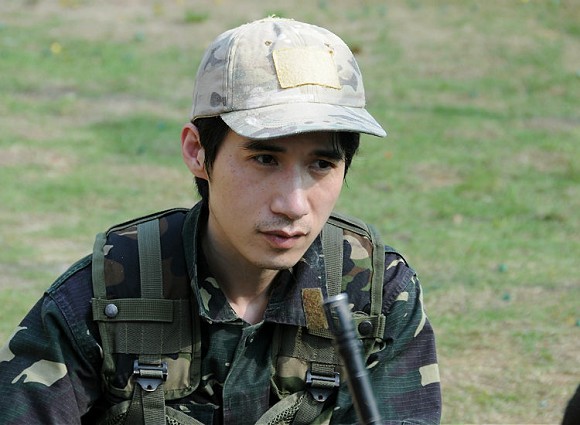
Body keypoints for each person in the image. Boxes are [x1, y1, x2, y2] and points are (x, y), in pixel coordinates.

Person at [0, 17, 441, 424]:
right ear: (197, 152)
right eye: (264, 159)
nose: (293, 204)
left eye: (322, 164)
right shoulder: (108, 296)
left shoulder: (374, 296)